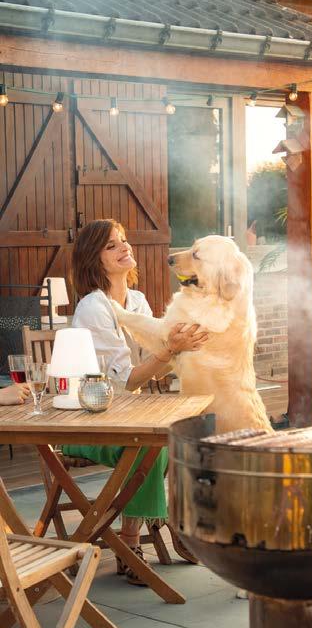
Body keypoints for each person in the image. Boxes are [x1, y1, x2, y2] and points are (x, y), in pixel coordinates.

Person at [66, 219, 208, 584]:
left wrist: (184, 344)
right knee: (150, 442)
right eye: (111, 245)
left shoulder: (137, 300)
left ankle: (170, 516)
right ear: (94, 259)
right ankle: (132, 540)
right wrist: (170, 351)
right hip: (85, 420)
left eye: (124, 240)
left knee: (188, 433)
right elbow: (128, 380)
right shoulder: (94, 307)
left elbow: (154, 367)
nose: (124, 247)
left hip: (127, 414)